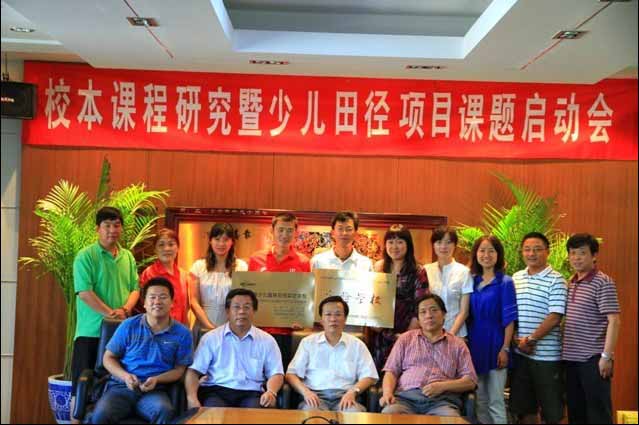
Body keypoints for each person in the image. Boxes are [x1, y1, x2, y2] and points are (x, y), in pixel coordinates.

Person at [88, 277, 193, 424]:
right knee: (100, 415)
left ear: (172, 303)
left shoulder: (183, 333)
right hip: (121, 388)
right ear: (144, 303)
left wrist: (157, 379)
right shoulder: (129, 325)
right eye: (152, 297)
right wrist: (125, 376)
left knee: (164, 411)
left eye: (163, 297)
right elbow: (108, 357)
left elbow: (179, 370)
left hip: (155, 391)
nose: (157, 301)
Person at [71, 206, 140, 421]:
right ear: (97, 229)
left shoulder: (127, 257)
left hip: (122, 334)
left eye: (117, 225)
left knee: (116, 387)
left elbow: (135, 289)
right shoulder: (85, 256)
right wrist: (111, 313)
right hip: (90, 333)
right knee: (80, 389)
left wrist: (125, 310)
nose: (112, 230)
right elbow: (84, 293)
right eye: (107, 225)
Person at [379, 293, 477, 416]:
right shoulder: (405, 339)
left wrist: (442, 386)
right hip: (405, 399)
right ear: (418, 319)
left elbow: (470, 381)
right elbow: (391, 371)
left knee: (450, 419)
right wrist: (387, 393)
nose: (429, 315)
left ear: (444, 314)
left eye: (434, 310)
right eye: (423, 312)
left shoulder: (458, 344)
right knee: (389, 414)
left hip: (441, 402)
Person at [185, 288, 284, 409]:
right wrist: (192, 398)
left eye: (247, 307)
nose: (241, 311)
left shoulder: (267, 340)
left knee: (255, 413)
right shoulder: (211, 338)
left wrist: (271, 392)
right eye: (236, 307)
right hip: (216, 391)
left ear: (254, 311)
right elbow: (193, 371)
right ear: (227, 311)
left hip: (251, 393)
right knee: (214, 413)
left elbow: (276, 373)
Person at [563, 233, 620, 424]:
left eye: (582, 253)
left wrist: (606, 356)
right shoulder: (571, 282)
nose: (576, 258)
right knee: (576, 412)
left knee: (598, 414)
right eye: (572, 253)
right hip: (570, 359)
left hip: (593, 359)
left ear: (594, 255)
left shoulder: (603, 282)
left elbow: (614, 321)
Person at [510, 232, 567, 424]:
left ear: (547, 252)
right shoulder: (516, 277)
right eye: (527, 249)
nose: (531, 253)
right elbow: (512, 312)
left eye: (537, 249)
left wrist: (531, 339)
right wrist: (516, 338)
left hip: (547, 357)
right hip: (521, 354)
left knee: (552, 412)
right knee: (524, 409)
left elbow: (555, 316)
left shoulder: (556, 280)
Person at [286, 296, 378, 412]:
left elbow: (369, 376)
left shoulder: (357, 345)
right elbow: (291, 374)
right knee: (311, 414)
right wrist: (306, 392)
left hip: (346, 396)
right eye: (328, 314)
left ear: (345, 319)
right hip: (315, 397)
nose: (333, 319)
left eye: (338, 314)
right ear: (321, 320)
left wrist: (353, 392)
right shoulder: (308, 343)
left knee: (354, 414)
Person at [248, 212, 310, 367]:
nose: (284, 235)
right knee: (258, 372)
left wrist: (302, 319)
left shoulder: (303, 262)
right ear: (272, 231)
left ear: (295, 233)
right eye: (280, 230)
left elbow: (305, 296)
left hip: (288, 332)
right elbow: (249, 294)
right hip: (260, 330)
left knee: (284, 372)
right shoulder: (256, 259)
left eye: (289, 230)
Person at [467, 235, 517, 424]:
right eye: (482, 250)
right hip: (475, 344)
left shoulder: (505, 282)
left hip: (497, 342)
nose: (486, 255)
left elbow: (509, 320)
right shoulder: (471, 281)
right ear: (476, 254)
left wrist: (505, 348)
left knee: (496, 400)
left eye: (491, 251)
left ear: (498, 254)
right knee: (480, 400)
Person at [371, 224, 428, 371]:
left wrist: (405, 337)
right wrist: (373, 322)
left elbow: (420, 306)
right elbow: (371, 300)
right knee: (379, 375)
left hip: (407, 333)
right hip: (381, 333)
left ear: (408, 245)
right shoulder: (378, 268)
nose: (394, 247)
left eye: (400, 242)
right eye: (390, 242)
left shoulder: (418, 271)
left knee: (402, 374)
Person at [189, 223, 248, 330]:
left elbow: (243, 301)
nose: (221, 243)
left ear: (232, 242)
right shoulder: (198, 266)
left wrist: (227, 329)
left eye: (226, 239)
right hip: (203, 326)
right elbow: (194, 301)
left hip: (232, 327)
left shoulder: (241, 267)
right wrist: (210, 328)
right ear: (210, 241)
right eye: (217, 239)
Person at [424, 226, 473, 338]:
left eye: (448, 242)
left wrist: (450, 334)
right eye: (439, 242)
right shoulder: (425, 270)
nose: (443, 246)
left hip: (457, 334)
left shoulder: (464, 272)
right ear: (433, 245)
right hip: (430, 334)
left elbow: (464, 311)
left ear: (455, 245)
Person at [138, 228, 190, 325]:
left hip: (179, 329)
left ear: (178, 248)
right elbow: (145, 305)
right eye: (161, 245)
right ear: (155, 249)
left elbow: (185, 308)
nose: (167, 249)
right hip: (156, 328)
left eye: (171, 244)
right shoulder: (149, 273)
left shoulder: (184, 275)